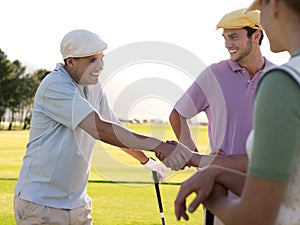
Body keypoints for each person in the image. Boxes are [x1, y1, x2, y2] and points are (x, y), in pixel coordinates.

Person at [13, 29, 193, 225]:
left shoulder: (93, 87)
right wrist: (160, 146)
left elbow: (115, 129)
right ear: (70, 61)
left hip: (78, 205)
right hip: (41, 205)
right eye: (91, 60)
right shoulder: (55, 86)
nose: (100, 66)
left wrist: (146, 161)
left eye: (101, 59)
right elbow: (101, 129)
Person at [174, 0, 300, 224]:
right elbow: (178, 114)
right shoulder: (214, 74)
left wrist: (208, 179)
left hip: (257, 205)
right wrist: (200, 162)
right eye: (225, 38)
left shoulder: (281, 79)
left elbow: (256, 212)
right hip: (253, 194)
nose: (227, 44)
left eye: (233, 37)